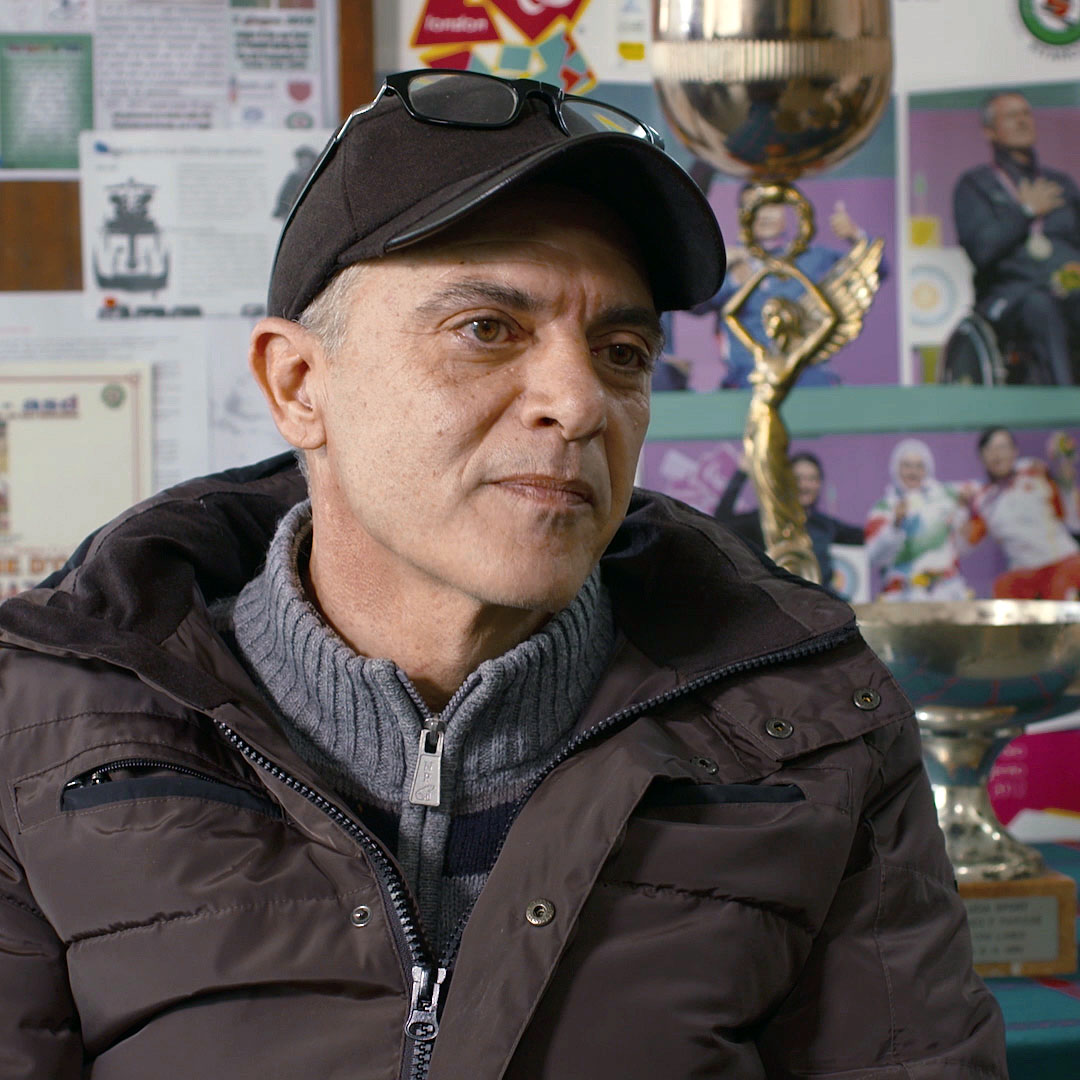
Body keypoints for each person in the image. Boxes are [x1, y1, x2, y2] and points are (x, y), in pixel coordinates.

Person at [0, 70, 1005, 1078]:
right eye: (487, 329)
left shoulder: (813, 725)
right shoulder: (38, 727)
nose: (580, 401)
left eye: (621, 351)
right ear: (300, 384)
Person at [691, 184, 877, 389]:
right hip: (749, 382)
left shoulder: (813, 258)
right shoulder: (728, 261)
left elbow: (875, 269)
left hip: (809, 379)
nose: (764, 215)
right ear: (741, 215)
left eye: (771, 206)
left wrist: (856, 236)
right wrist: (724, 276)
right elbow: (693, 305)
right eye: (754, 207)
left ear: (787, 209)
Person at [953, 91, 1080, 386]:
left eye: (1026, 114)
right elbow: (982, 250)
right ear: (989, 131)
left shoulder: (1060, 184)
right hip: (1011, 297)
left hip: (1067, 287)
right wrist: (1025, 212)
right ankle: (1065, 406)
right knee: (1040, 306)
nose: (1023, 121)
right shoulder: (975, 185)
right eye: (1012, 116)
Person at [714, 450, 863, 592]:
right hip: (778, 603)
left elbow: (866, 536)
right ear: (785, 481)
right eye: (797, 479)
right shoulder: (765, 520)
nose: (804, 485)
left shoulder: (825, 525)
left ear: (819, 484)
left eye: (812, 479)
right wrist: (741, 474)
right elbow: (721, 523)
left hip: (820, 605)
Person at [968, 426, 1080, 599]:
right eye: (990, 449)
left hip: (1061, 562)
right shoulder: (980, 498)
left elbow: (1066, 501)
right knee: (1002, 589)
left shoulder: (1036, 472)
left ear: (1015, 451)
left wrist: (1063, 460)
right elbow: (967, 540)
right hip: (1023, 573)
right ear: (981, 457)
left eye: (1002, 447)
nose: (997, 454)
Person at [865, 438, 972, 601]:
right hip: (900, 598)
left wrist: (962, 510)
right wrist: (895, 525)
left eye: (919, 466)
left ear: (928, 469)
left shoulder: (946, 500)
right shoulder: (883, 508)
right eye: (906, 466)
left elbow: (963, 545)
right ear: (895, 468)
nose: (913, 472)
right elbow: (873, 556)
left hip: (945, 594)